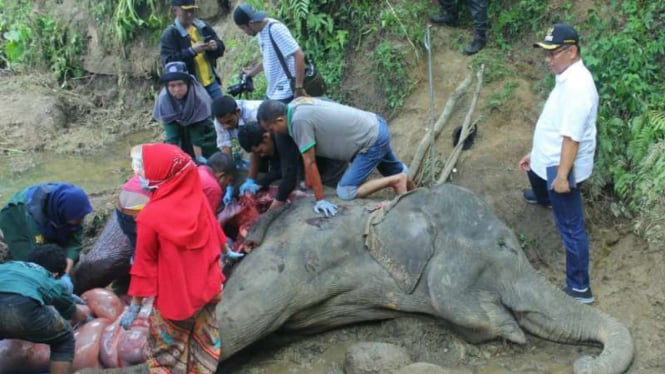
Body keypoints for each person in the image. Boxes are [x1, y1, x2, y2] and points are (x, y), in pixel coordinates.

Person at [119, 143, 242, 372]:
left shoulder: (149, 217)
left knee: (166, 354)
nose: (140, 174)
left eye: (145, 169)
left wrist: (135, 306)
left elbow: (144, 266)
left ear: (162, 175)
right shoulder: (198, 199)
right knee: (203, 340)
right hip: (208, 289)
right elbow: (215, 229)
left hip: (176, 300)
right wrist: (226, 252)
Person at [518, 24, 598, 304]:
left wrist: (563, 177)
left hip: (561, 164)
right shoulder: (565, 75)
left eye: (554, 53)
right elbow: (554, 122)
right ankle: (543, 196)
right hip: (548, 157)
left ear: (572, 52)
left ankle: (579, 288)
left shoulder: (578, 87)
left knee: (571, 227)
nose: (548, 59)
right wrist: (535, 152)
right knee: (535, 177)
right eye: (546, 53)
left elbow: (572, 138)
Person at [257, 98, 414, 217]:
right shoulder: (297, 103)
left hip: (370, 142)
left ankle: (396, 181)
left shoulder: (298, 122)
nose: (274, 133)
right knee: (397, 169)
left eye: (272, 128)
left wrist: (320, 199)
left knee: (345, 191)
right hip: (375, 124)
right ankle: (417, 194)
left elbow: (310, 161)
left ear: (280, 120)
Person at [0, 244, 90, 374]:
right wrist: (87, 318)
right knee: (64, 340)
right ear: (56, 274)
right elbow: (71, 312)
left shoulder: (8, 266)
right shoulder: (50, 280)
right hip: (21, 308)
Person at [0, 182, 92, 290]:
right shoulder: (34, 217)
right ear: (62, 213)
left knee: (61, 257)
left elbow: (74, 244)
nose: (81, 220)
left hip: (49, 221)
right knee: (30, 266)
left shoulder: (74, 212)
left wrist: (65, 274)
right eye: (78, 218)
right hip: (15, 219)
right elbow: (39, 254)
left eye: (82, 217)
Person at [238, 122, 347, 210]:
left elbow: (288, 177)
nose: (261, 155)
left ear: (266, 137)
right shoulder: (272, 141)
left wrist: (270, 212)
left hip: (330, 158)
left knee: (328, 192)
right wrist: (259, 183)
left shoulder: (283, 138)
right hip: (308, 159)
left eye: (261, 151)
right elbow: (280, 168)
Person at [233, 2, 307, 102]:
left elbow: (299, 55)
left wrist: (298, 88)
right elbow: (268, 59)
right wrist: (251, 73)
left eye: (243, 28)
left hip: (286, 91)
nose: (244, 32)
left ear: (250, 23)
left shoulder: (275, 29)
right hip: (273, 91)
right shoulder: (261, 32)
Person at [153, 61, 218, 165]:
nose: (177, 89)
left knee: (208, 159)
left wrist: (199, 157)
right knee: (180, 156)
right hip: (180, 131)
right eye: (172, 86)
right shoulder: (163, 100)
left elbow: (197, 132)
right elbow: (171, 135)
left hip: (202, 130)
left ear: (188, 82)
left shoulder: (199, 97)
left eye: (180, 84)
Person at [160, 0, 225, 100]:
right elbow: (168, 62)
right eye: (186, 11)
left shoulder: (202, 27)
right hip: (191, 89)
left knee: (222, 113)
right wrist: (191, 52)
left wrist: (215, 46)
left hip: (212, 83)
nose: (190, 14)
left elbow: (220, 47)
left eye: (192, 10)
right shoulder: (170, 35)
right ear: (175, 11)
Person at [212, 95, 262, 169]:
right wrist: (227, 169)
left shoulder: (253, 114)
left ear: (237, 111)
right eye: (222, 123)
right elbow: (225, 146)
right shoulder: (219, 120)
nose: (226, 127)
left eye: (229, 122)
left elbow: (259, 143)